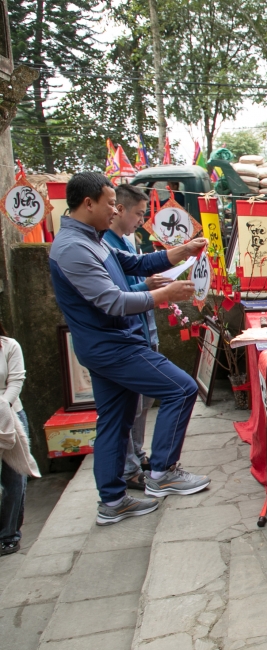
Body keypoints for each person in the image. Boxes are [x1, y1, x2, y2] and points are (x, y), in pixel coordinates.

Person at [50, 172, 211, 526]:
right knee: (182, 388)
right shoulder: (73, 248)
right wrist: (163, 296)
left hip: (108, 343)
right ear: (88, 203)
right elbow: (111, 301)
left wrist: (180, 251)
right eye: (110, 204)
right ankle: (163, 472)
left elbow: (134, 265)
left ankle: (112, 501)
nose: (114, 210)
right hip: (113, 344)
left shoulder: (93, 239)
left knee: (114, 422)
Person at [103, 184, 170, 491]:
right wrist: (149, 288)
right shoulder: (101, 244)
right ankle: (130, 470)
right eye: (139, 214)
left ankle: (138, 456)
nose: (141, 221)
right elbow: (114, 297)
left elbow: (139, 271)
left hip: (142, 327)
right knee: (129, 408)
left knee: (142, 404)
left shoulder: (125, 243)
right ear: (118, 209)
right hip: (124, 335)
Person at [0, 323, 27, 555]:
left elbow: (16, 381)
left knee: (14, 478)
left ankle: (9, 534)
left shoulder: (9, 346)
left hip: (10, 416)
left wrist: (2, 407)